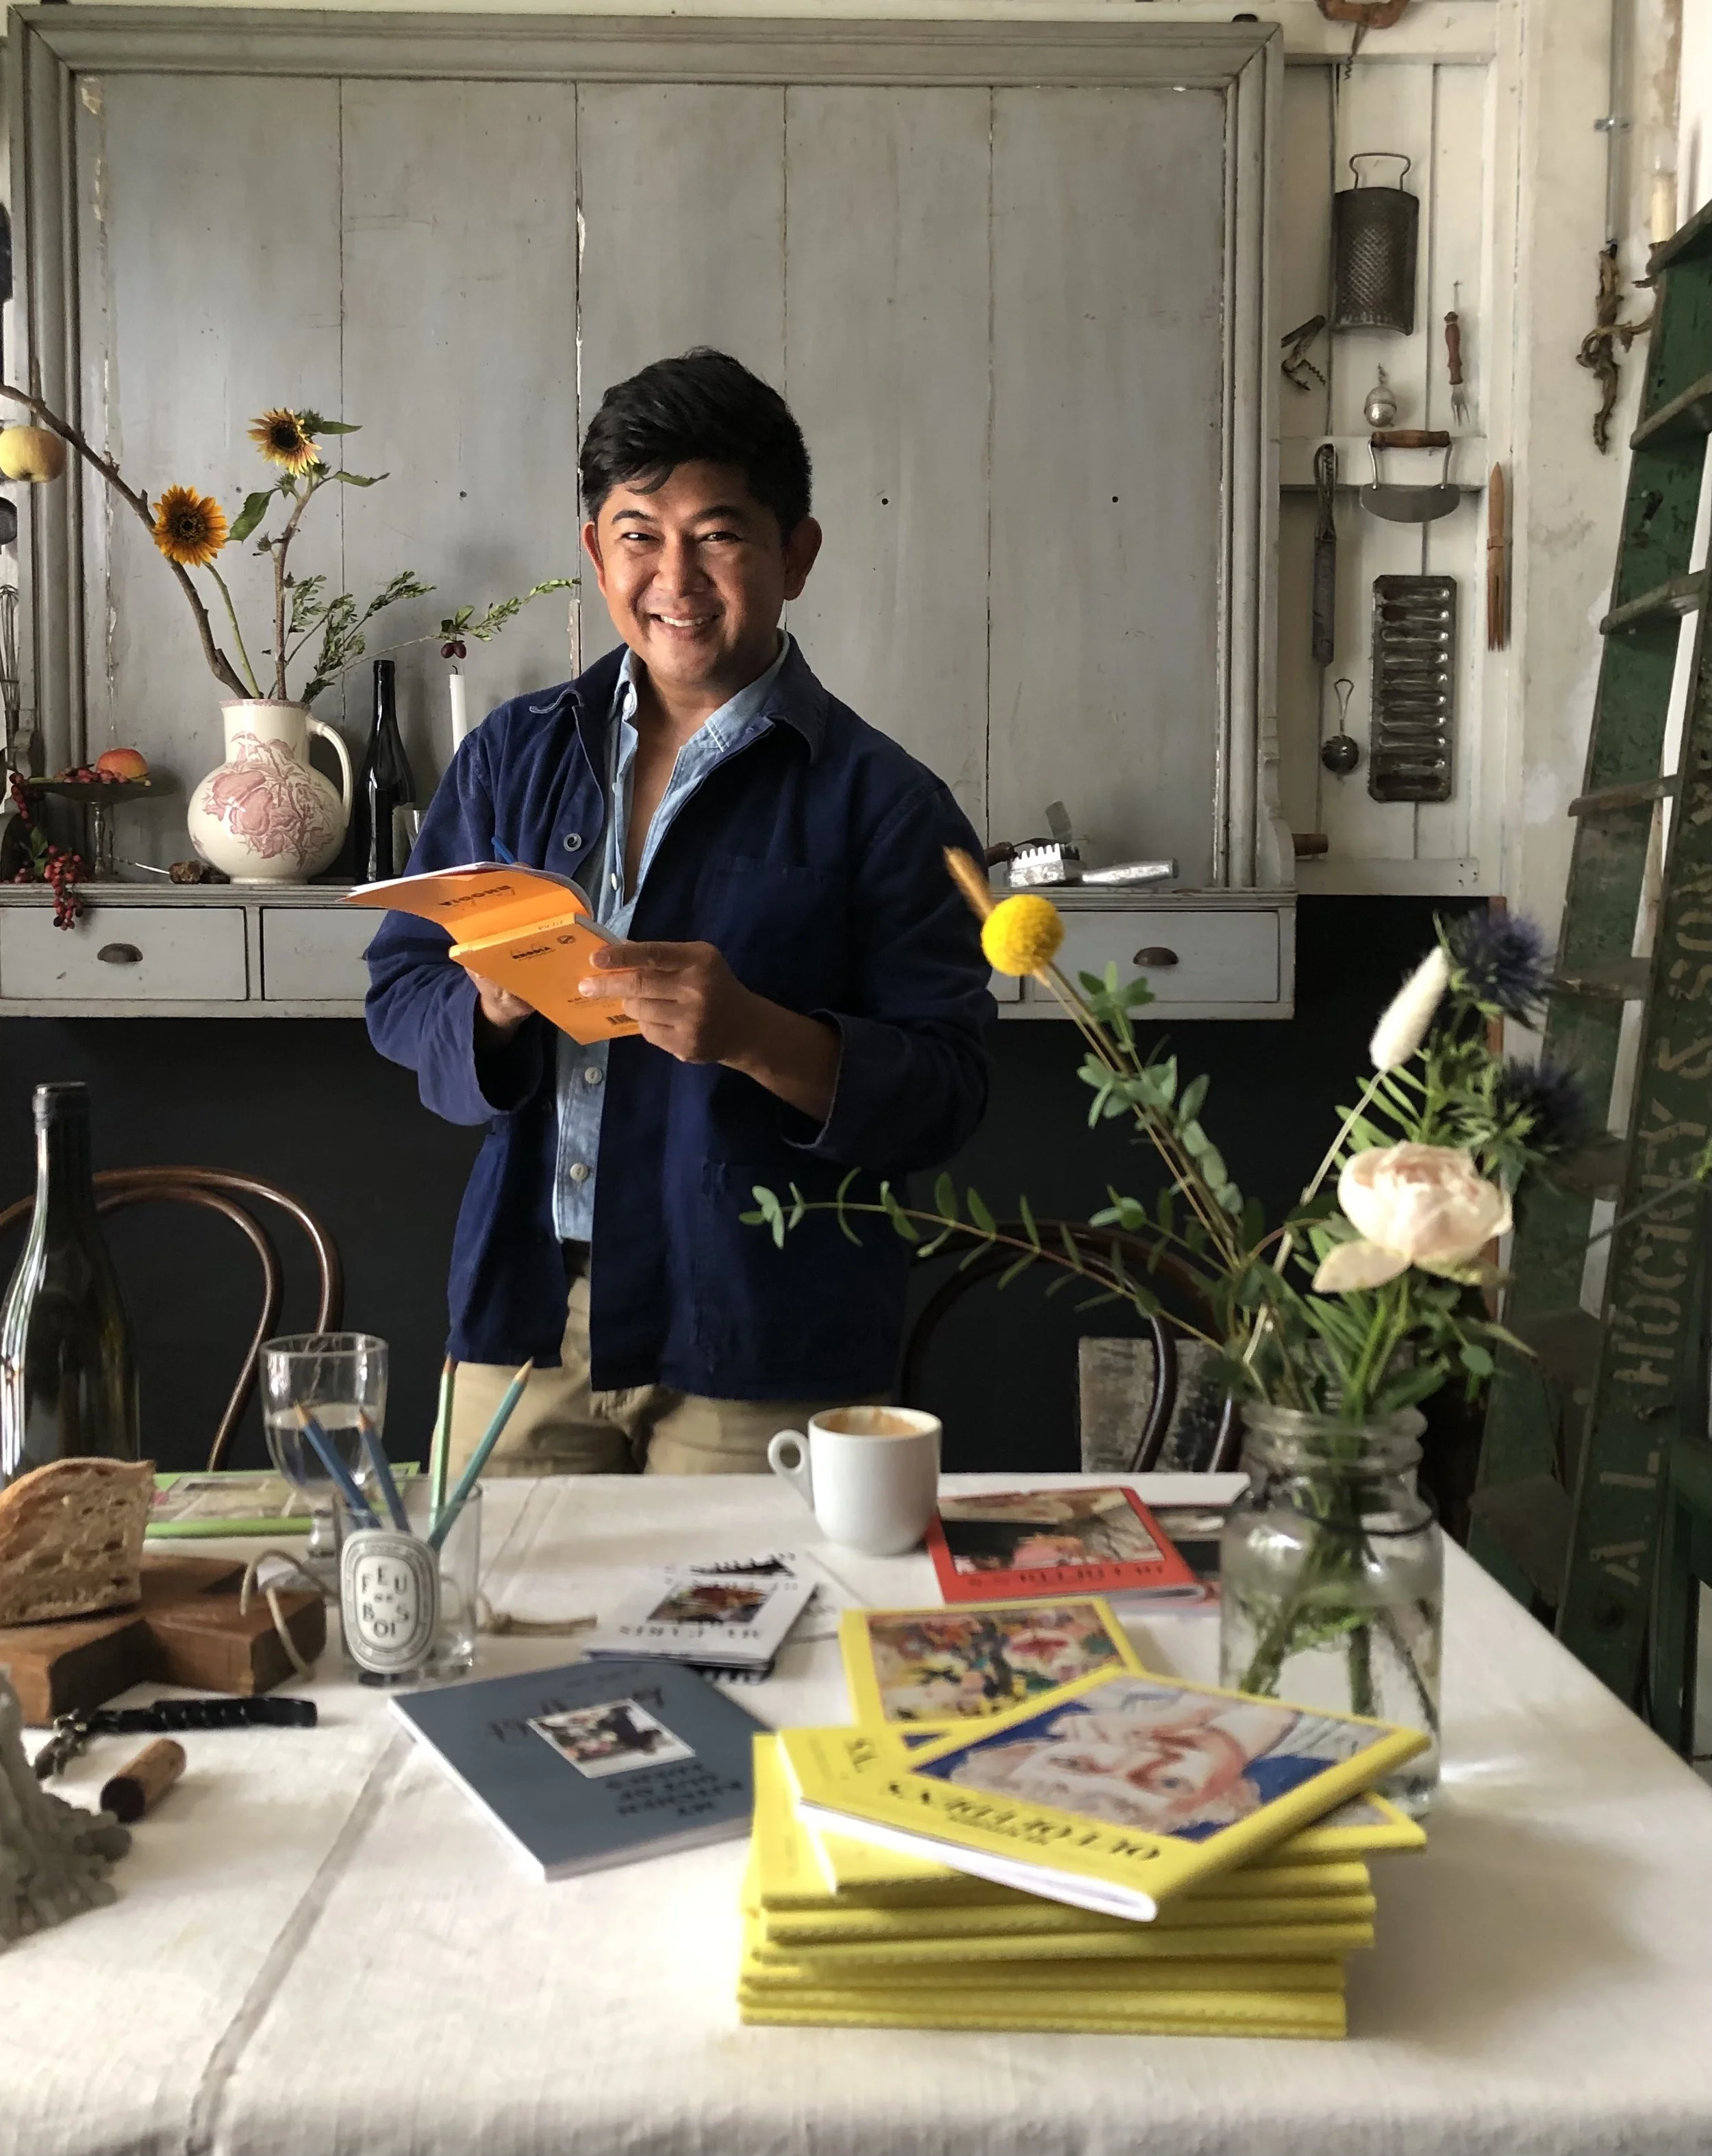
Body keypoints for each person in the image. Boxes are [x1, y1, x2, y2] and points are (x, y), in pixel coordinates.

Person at [366, 349, 992, 1476]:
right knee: (498, 1640)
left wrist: (759, 1036)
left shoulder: (890, 804)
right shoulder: (511, 756)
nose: (675, 576)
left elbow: (948, 1090)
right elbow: (402, 989)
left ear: (796, 554)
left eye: (719, 533)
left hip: (764, 1338)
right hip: (526, 1322)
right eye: (638, 533)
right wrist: (490, 1010)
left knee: (753, 1651)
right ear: (596, 555)